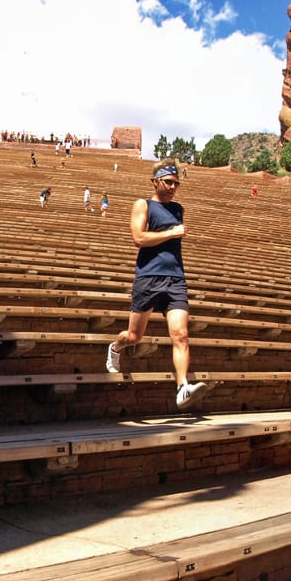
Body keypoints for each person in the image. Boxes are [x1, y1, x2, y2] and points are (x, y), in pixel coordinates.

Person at [104, 159, 209, 410]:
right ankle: (115, 347)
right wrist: (172, 233)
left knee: (181, 334)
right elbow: (138, 238)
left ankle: (182, 387)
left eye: (176, 183)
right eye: (168, 182)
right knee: (134, 336)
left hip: (175, 278)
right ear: (155, 181)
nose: (173, 187)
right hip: (148, 278)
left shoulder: (178, 209)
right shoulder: (144, 205)